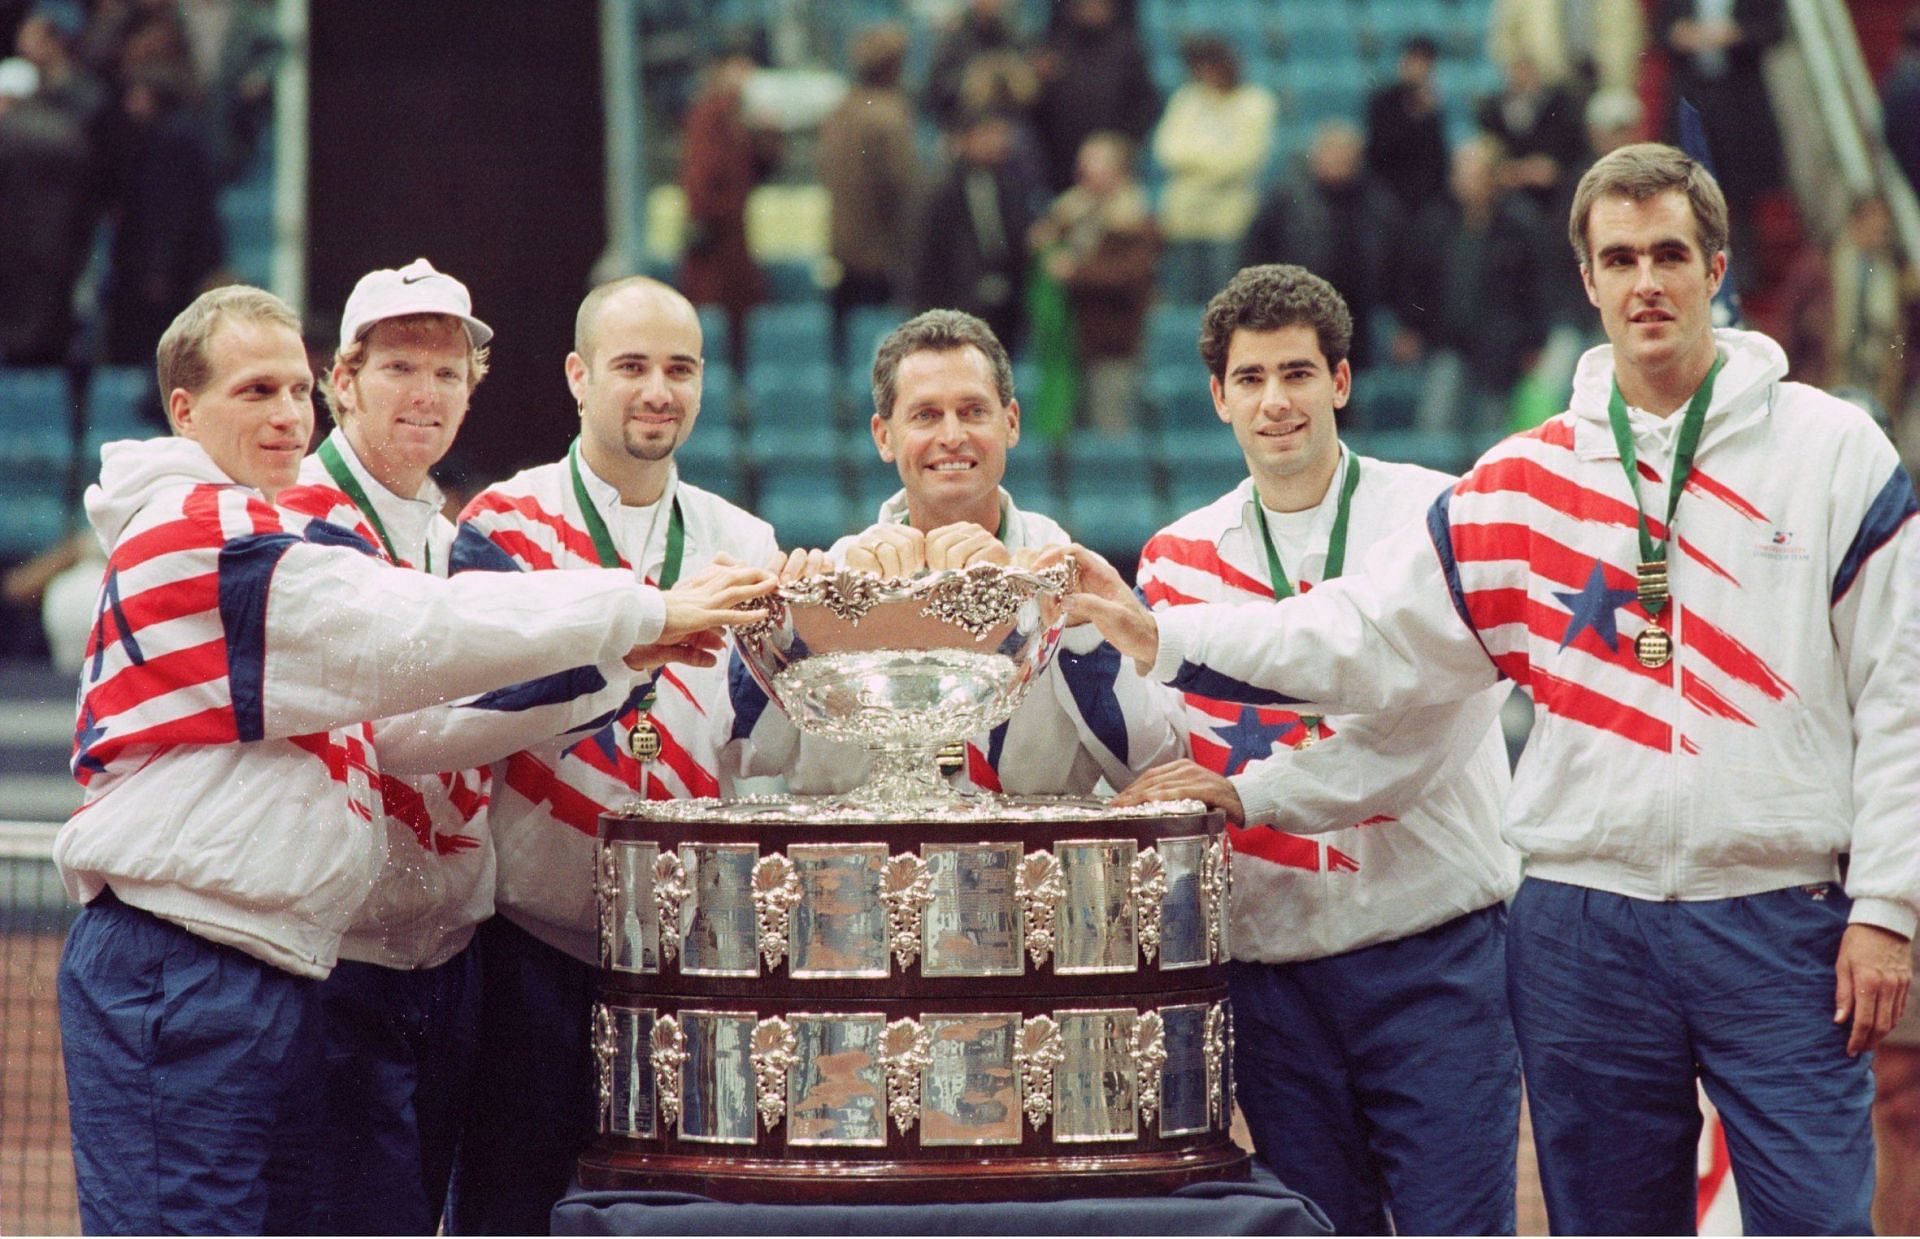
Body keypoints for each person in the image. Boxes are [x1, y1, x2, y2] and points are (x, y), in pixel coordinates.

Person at [1064, 143, 1919, 1234]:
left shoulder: (1834, 451)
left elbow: (1903, 695)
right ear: (1588, 282)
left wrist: (1888, 908)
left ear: (1716, 269)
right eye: (1620, 257)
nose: (1645, 281)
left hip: (1778, 912)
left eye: (1669, 253)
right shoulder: (1524, 480)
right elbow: (1368, 639)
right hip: (1581, 920)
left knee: (1817, 1223)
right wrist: (1162, 633)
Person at [54, 283, 771, 1234]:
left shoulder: (335, 531)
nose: (282, 415)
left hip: (298, 957)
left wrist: (613, 661)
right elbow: (409, 635)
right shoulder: (213, 534)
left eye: (289, 392)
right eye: (253, 391)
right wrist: (636, 612)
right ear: (186, 410)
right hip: (196, 952)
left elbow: (420, 713)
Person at [1125, 264, 1520, 1234]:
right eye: (1251, 379)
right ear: (1218, 397)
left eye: (1298, 374)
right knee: (1314, 1228)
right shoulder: (1175, 561)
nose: (1277, 402)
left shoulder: (1438, 516)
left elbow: (1425, 734)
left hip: (1435, 952)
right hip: (1273, 965)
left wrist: (1251, 796)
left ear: (1341, 381)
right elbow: (1156, 754)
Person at [275, 260, 657, 1233]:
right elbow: (396, 731)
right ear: (342, 380)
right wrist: (619, 656)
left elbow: (530, 646)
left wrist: (621, 651)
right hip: (337, 962)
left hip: (444, 957)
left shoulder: (451, 535)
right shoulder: (302, 522)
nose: (427, 395)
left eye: (449, 375)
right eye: (401, 366)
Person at [446, 275, 780, 1235]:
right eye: (631, 366)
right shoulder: (505, 527)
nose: (657, 390)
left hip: (682, 962)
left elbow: (758, 742)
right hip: (525, 944)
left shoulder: (743, 540)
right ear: (577, 377)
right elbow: (470, 714)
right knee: (509, 1206)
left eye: (679, 368)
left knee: (669, 1215)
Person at [729, 307, 1184, 797]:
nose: (951, 436)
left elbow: (1150, 765)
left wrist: (1061, 623)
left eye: (973, 411)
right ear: (885, 436)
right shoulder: (830, 577)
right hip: (854, 868)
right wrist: (786, 632)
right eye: (925, 415)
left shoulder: (1072, 578)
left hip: (1027, 869)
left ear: (1010, 422)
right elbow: (744, 754)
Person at [1031, 130, 1157, 436]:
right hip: (1070, 344)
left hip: (1112, 345)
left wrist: (1074, 273)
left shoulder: (1135, 218)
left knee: (1109, 430)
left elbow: (1126, 277)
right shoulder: (1073, 211)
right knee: (1065, 431)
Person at [816, 23, 919, 356]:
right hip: (883, 255)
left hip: (842, 249)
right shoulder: (889, 116)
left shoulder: (839, 111)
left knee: (844, 350)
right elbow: (905, 186)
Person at [1150, 35, 1276, 303]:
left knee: (1225, 300)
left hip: (1229, 221)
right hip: (1183, 219)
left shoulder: (1255, 101)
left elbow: (1245, 159)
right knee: (1184, 301)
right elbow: (1166, 150)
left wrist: (1194, 164)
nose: (1206, 74)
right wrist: (1214, 161)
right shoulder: (1186, 99)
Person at [1363, 37, 1448, 217]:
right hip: (1387, 190)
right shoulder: (1383, 101)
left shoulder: (1432, 106)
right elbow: (1381, 149)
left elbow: (1436, 156)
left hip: (1424, 196)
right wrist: (1415, 117)